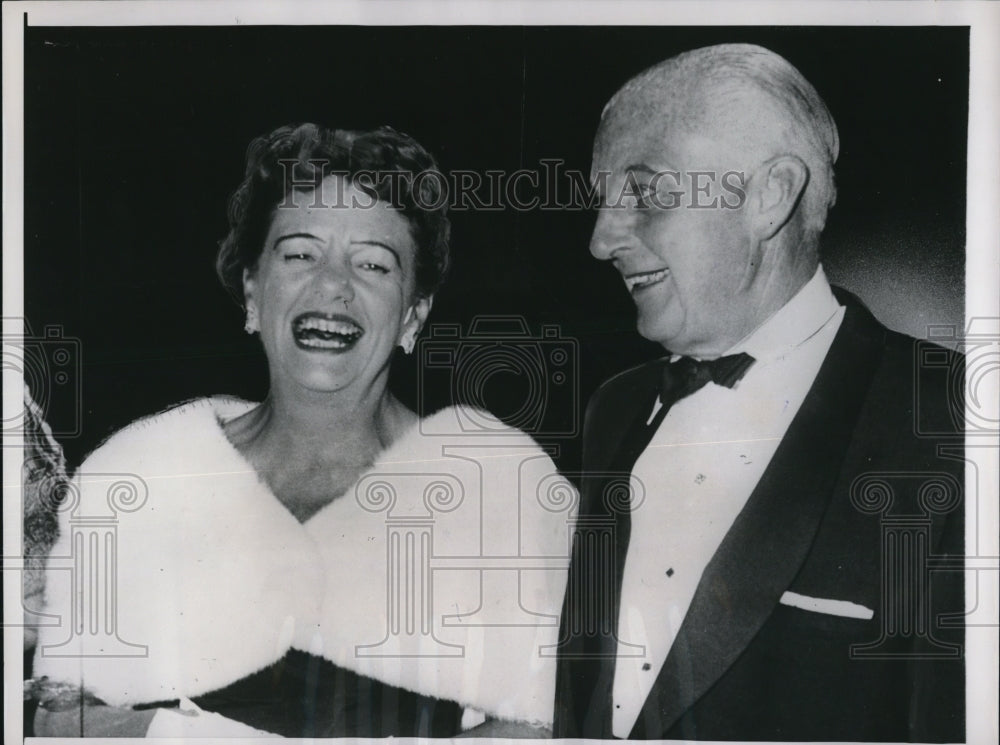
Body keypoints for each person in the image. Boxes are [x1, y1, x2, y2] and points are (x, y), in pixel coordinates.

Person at [30, 123, 571, 737]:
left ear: (413, 316)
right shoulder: (140, 473)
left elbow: (538, 729)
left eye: (373, 264)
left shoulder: (497, 487)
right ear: (253, 291)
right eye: (299, 254)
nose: (333, 286)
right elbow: (62, 722)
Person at [552, 44, 965, 741]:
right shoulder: (614, 409)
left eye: (646, 192)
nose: (600, 239)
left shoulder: (955, 423)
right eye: (603, 201)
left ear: (770, 195)